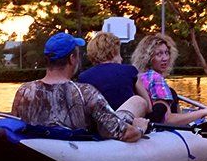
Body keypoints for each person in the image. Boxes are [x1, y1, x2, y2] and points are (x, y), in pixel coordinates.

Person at [11, 32, 149, 142]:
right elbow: (124, 133)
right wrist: (139, 128)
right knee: (138, 101)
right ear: (72, 58)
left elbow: (15, 126)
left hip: (41, 146)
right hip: (76, 152)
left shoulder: (24, 91)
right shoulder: (85, 92)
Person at [131, 33, 207, 125]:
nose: (165, 58)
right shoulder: (155, 78)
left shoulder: (139, 76)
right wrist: (205, 111)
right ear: (148, 58)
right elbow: (167, 119)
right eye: (159, 54)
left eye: (166, 53)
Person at [79, 31, 151, 111]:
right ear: (113, 53)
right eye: (119, 54)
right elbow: (148, 106)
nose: (121, 59)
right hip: (125, 120)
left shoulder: (83, 77)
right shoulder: (130, 71)